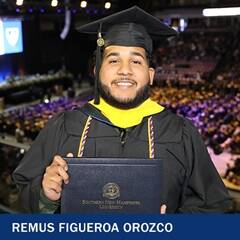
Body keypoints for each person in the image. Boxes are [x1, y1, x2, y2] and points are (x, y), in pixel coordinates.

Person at [13, 6, 232, 213]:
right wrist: (45, 197)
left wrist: (172, 227)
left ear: (151, 75)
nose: (125, 71)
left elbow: (214, 208)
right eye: (114, 60)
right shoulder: (63, 127)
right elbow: (21, 199)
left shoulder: (180, 133)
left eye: (136, 61)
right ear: (97, 71)